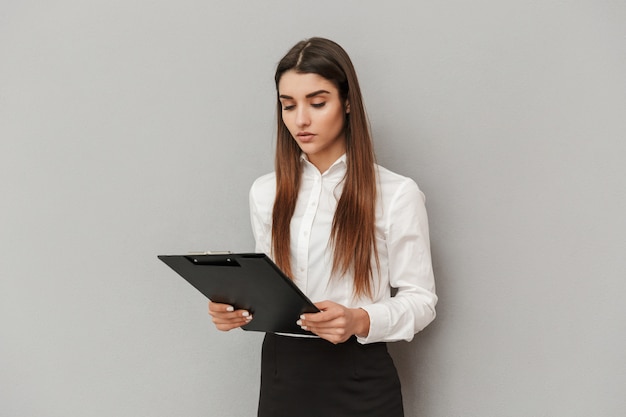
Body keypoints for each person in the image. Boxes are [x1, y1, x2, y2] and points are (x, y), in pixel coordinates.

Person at [208, 37, 437, 417]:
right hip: (284, 373)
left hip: (360, 377)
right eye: (288, 105)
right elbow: (272, 287)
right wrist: (236, 310)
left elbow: (421, 300)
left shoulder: (396, 194)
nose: (301, 120)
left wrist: (359, 319)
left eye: (317, 103)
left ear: (347, 103)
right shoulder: (266, 192)